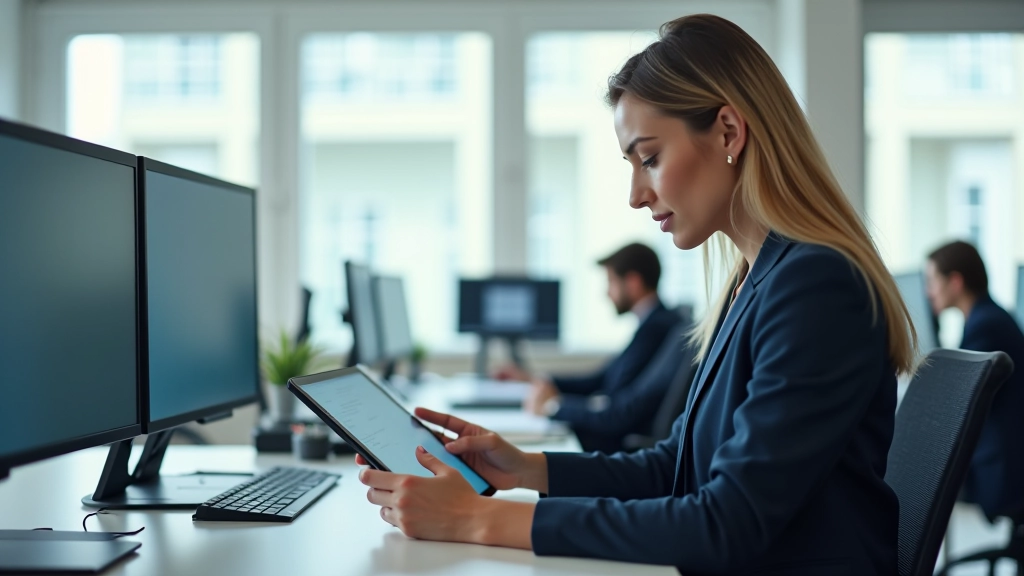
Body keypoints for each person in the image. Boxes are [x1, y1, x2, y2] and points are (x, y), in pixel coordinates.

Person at [357, 14, 916, 575]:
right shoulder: (752, 280)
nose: (635, 195)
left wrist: (475, 520)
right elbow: (675, 467)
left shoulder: (816, 286)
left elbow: (726, 524)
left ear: (728, 132)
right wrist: (526, 468)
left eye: (649, 158)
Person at [498, 242, 683, 453]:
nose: (607, 293)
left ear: (632, 282)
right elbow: (603, 378)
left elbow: (622, 412)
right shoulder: (652, 323)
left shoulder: (657, 329)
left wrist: (554, 407)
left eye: (611, 281)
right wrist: (540, 380)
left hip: (620, 447)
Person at [925, 241, 1024, 520]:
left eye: (932, 281)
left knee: (921, 474)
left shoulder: (986, 326)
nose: (928, 292)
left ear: (955, 282)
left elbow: (957, 403)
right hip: (1006, 458)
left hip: (1004, 471)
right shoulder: (987, 317)